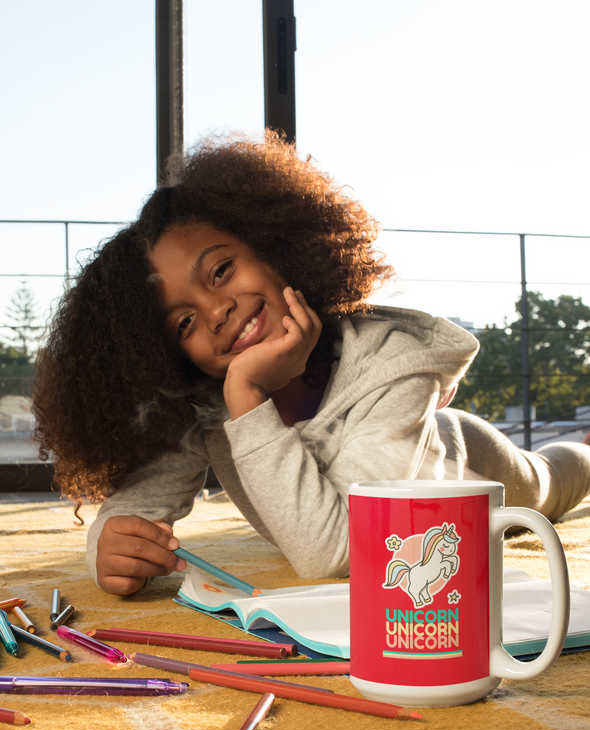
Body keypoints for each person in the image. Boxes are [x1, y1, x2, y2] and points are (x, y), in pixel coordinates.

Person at [33, 134, 590, 596]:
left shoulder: (394, 360)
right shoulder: (204, 407)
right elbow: (133, 509)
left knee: (548, 483)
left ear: (273, 245)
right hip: (376, 473)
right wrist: (111, 544)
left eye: (221, 270)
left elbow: (335, 552)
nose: (217, 310)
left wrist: (248, 395)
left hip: (463, 458)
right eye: (183, 323)